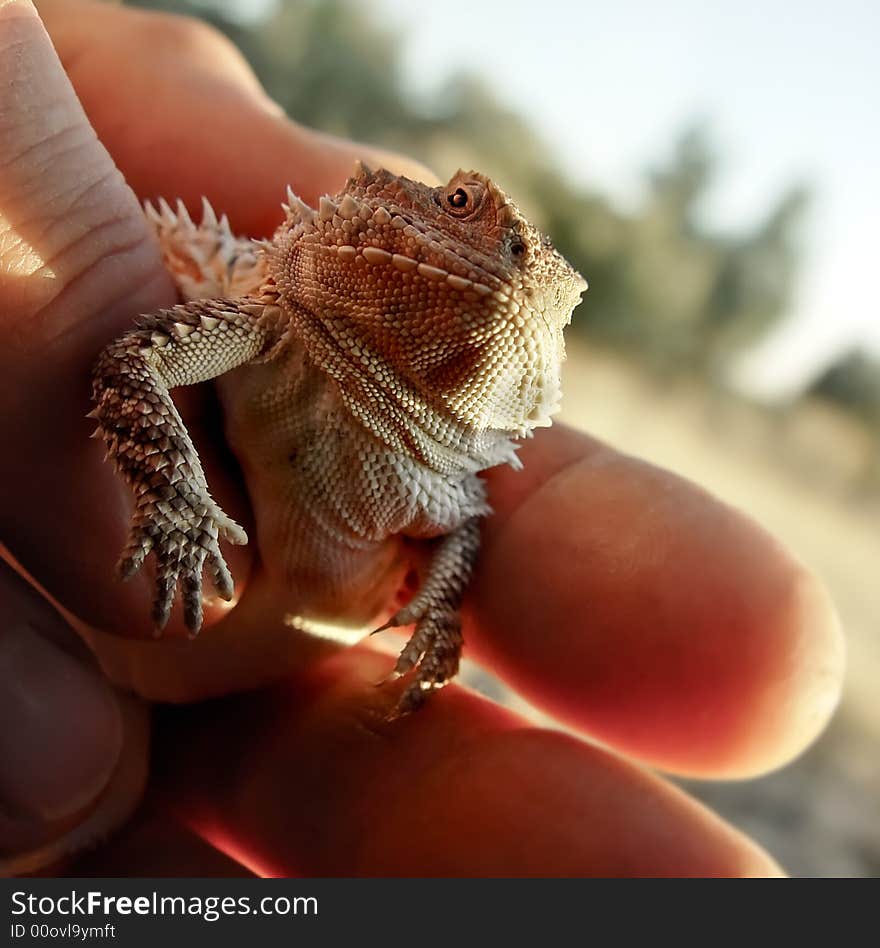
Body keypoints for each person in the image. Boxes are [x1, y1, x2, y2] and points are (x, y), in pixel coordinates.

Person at [0, 0, 844, 877]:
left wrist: (439, 616)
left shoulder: (440, 486)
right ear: (369, 203)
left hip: (213, 701)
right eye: (464, 205)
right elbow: (133, 364)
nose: (504, 258)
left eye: (542, 294)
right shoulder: (262, 327)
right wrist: (174, 502)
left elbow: (462, 530)